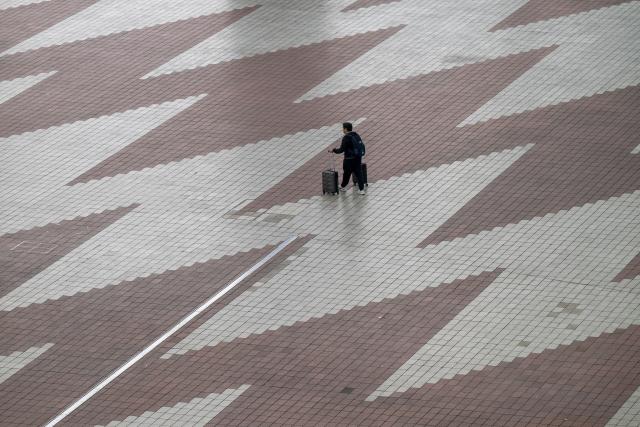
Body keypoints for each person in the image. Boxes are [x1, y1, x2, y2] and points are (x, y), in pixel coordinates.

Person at [331, 122, 366, 195]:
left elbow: (341, 150)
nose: (342, 130)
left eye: (343, 128)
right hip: (357, 158)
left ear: (346, 129)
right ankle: (361, 189)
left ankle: (343, 186)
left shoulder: (346, 137)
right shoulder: (356, 135)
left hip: (348, 159)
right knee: (359, 173)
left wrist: (334, 150)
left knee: (347, 174)